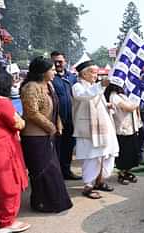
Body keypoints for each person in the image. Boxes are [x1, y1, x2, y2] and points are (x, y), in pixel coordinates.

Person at [0, 67, 31, 233]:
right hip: (0, 147)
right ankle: (7, 222)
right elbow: (18, 123)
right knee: (9, 183)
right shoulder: (1, 102)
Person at [20, 56, 73, 212]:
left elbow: (55, 108)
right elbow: (32, 113)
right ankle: (42, 203)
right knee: (42, 171)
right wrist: (50, 127)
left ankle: (53, 202)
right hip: (34, 136)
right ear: (43, 72)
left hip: (48, 134)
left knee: (52, 169)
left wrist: (58, 124)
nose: (54, 72)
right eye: (51, 69)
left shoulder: (49, 85)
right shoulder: (31, 87)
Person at [72, 60, 119, 199]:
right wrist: (100, 85)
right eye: (93, 72)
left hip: (104, 127)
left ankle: (100, 180)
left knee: (106, 155)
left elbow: (99, 101)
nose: (95, 75)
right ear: (84, 74)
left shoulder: (95, 87)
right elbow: (85, 96)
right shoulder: (77, 87)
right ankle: (88, 186)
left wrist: (108, 105)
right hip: (88, 130)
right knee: (91, 157)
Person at [50, 51, 81, 180]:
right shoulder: (50, 78)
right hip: (57, 119)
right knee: (57, 147)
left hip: (72, 119)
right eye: (55, 61)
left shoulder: (72, 77)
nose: (57, 64)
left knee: (69, 146)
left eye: (60, 61)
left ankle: (66, 171)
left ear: (65, 61)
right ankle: (56, 174)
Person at [106, 84, 142, 184]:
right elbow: (128, 108)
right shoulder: (114, 96)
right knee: (124, 153)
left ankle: (128, 171)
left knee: (131, 153)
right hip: (122, 129)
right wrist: (137, 101)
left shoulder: (123, 95)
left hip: (131, 128)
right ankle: (121, 173)